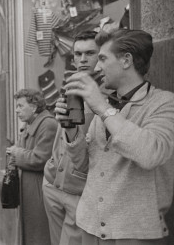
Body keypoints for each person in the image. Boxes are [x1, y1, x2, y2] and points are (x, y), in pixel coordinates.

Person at [55, 29, 174, 244]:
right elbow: (83, 166)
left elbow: (150, 154)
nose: (97, 67)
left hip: (134, 232)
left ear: (126, 60)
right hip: (89, 227)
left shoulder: (164, 103)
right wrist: (70, 129)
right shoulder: (107, 105)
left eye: (102, 58)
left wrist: (101, 107)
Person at [42, 30, 100, 245]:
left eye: (90, 53)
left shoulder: (106, 92)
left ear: (102, 55)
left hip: (80, 191)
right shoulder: (71, 84)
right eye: (77, 54)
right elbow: (62, 132)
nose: (83, 59)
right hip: (52, 183)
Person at [6, 88, 58, 245]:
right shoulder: (31, 124)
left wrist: (16, 152)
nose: (16, 110)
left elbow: (40, 158)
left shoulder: (48, 124)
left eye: (21, 106)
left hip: (40, 192)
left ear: (34, 107)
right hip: (30, 191)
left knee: (39, 236)